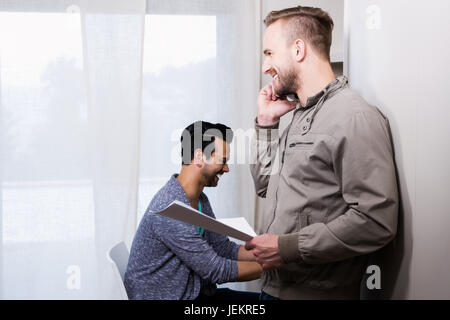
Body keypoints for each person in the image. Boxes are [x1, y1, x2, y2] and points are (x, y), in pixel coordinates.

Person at [246, 6, 398, 300]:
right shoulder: (295, 117)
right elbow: (265, 185)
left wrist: (286, 248)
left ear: (299, 49)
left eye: (269, 53)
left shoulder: (355, 117)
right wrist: (266, 123)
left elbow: (376, 220)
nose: (266, 67)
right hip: (274, 289)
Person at [124, 121, 262, 300]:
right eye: (223, 160)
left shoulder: (199, 199)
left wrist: (269, 253)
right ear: (199, 157)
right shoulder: (169, 208)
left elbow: (221, 247)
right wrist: (272, 267)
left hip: (195, 294)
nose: (226, 168)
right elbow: (215, 270)